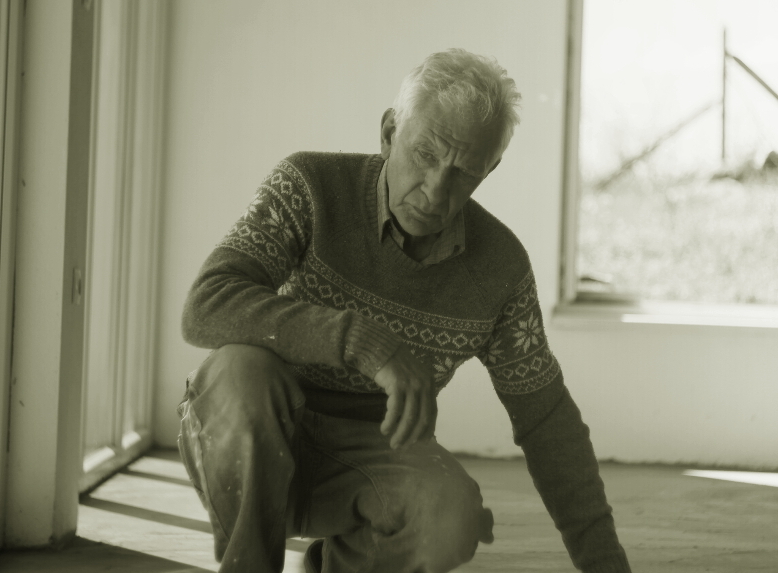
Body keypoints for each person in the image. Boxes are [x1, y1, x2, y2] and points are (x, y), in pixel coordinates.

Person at [178, 48, 632, 573]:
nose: (436, 190)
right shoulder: (309, 185)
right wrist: (362, 343)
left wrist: (607, 565)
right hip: (249, 441)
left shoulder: (500, 270)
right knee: (240, 370)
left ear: (489, 169)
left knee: (451, 515)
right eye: (424, 154)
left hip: (371, 457)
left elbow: (546, 420)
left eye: (463, 173)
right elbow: (206, 303)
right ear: (390, 131)